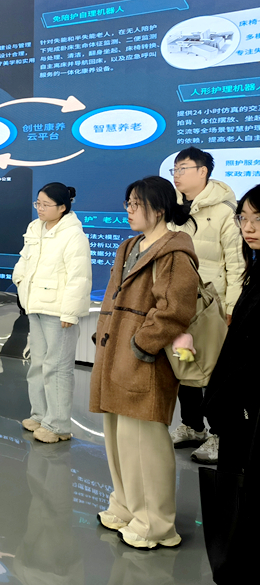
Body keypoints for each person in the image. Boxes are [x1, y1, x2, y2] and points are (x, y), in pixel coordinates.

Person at [90, 175, 199, 550]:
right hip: (114, 356)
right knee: (118, 438)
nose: (130, 210)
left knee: (145, 444)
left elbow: (175, 311)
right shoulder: (129, 246)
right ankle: (125, 506)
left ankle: (156, 523)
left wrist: (141, 345)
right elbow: (112, 297)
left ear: (161, 208)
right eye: (129, 203)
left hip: (144, 361)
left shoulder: (174, 252)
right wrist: (103, 337)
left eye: (137, 204)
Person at [167, 146, 243, 465]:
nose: (177, 175)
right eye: (174, 169)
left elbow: (237, 264)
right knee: (184, 364)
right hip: (180, 303)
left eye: (183, 168)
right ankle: (193, 426)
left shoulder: (225, 211)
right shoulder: (173, 210)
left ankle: (220, 433)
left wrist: (233, 307)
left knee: (213, 372)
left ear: (203, 171)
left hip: (213, 306)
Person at [200, 183, 260, 581]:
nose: (248, 227)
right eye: (245, 218)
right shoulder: (255, 270)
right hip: (238, 404)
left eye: (258, 219)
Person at [12, 183, 92, 443]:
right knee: (37, 364)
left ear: (62, 207)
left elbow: (79, 277)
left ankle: (58, 425)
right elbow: (24, 260)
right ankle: (40, 415)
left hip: (59, 311)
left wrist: (70, 312)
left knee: (57, 368)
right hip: (35, 304)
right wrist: (19, 280)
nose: (40, 208)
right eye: (38, 203)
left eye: (46, 204)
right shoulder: (34, 228)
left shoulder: (73, 235)